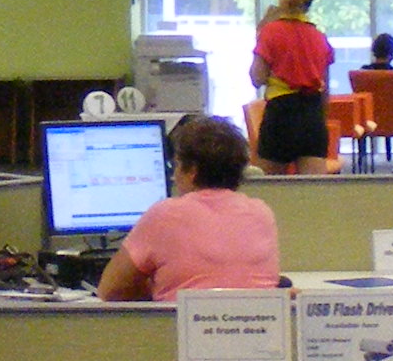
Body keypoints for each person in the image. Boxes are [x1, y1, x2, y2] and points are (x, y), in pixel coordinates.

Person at [97, 115, 283, 301]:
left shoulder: (164, 215)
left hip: (179, 328)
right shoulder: (261, 213)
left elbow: (110, 291)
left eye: (177, 165)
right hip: (252, 327)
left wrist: (155, 288)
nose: (175, 175)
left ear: (192, 170)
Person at [250, 0, 336, 176]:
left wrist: (259, 33)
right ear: (310, 2)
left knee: (271, 192)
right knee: (313, 195)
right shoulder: (319, 37)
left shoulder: (270, 32)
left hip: (281, 114)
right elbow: (325, 92)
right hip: (312, 115)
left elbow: (257, 78)